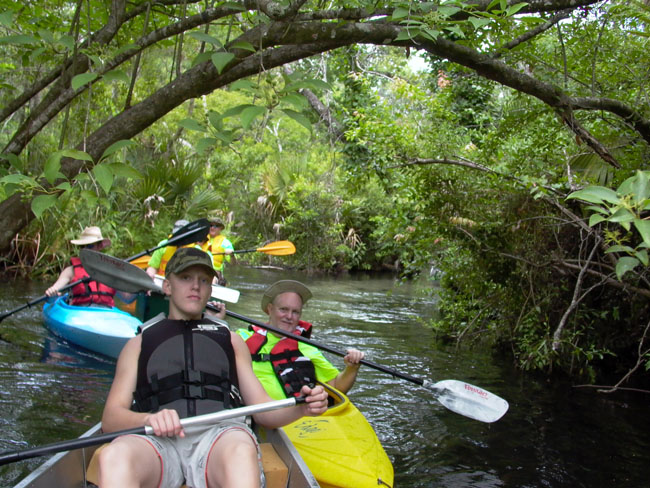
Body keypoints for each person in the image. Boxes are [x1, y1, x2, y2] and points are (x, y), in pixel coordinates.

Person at [97, 248, 327, 488]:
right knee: (114, 455)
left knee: (240, 450)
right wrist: (149, 419)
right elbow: (110, 419)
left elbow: (263, 412)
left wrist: (302, 407)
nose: (195, 286)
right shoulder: (139, 343)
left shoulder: (231, 340)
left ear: (210, 291)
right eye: (185, 278)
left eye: (204, 280)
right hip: (157, 442)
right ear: (167, 286)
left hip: (218, 438)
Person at [237, 280, 365, 400]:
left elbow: (337, 386)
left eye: (295, 312)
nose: (289, 316)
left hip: (297, 416)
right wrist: (217, 318)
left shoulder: (306, 347)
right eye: (283, 309)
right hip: (252, 413)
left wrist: (352, 368)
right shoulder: (242, 337)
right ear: (270, 309)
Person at [45, 226, 127, 307]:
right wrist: (52, 295)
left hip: (106, 313)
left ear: (100, 246)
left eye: (89, 246)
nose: (85, 249)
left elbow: (127, 298)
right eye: (82, 246)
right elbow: (52, 296)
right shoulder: (70, 271)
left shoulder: (111, 271)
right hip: (79, 312)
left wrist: (138, 288)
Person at [201, 217, 236, 286]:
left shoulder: (225, 243)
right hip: (199, 269)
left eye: (216, 226)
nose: (212, 228)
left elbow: (233, 264)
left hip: (215, 273)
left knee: (213, 277)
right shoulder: (200, 239)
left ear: (221, 228)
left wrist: (232, 255)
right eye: (210, 225)